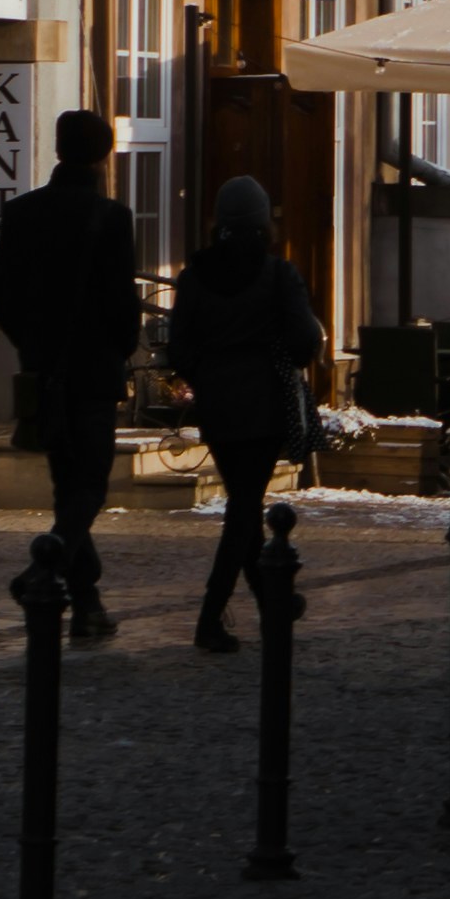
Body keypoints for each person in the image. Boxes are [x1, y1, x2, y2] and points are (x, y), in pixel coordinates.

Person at [0, 107, 141, 637]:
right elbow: (123, 304)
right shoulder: (111, 218)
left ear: (57, 149)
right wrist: (120, 350)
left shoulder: (23, 212)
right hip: (94, 373)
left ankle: (87, 603)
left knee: (66, 482)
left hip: (43, 370)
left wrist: (34, 343)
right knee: (89, 485)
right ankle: (43, 571)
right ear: (103, 154)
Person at [162, 173, 322, 657]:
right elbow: (304, 342)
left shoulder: (194, 277)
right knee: (242, 510)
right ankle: (210, 618)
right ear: (261, 223)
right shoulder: (277, 275)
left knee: (244, 504)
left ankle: (273, 602)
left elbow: (179, 349)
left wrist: (209, 373)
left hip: (218, 408)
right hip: (264, 406)